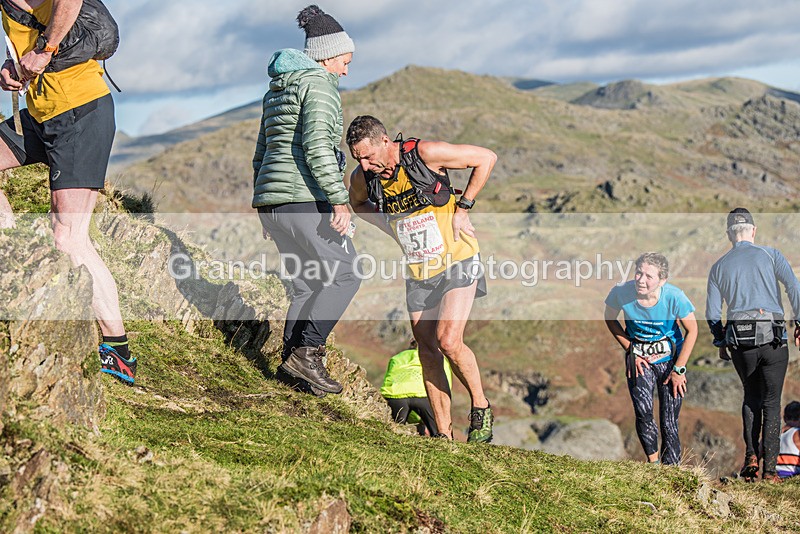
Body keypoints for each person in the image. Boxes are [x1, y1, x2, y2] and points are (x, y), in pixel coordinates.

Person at [0, 0, 136, 383]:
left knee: (69, 238)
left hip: (80, 110)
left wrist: (44, 51)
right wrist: (13, 67)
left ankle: (118, 350)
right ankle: (15, 261)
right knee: (65, 238)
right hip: (41, 113)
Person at [346, 115, 496, 442]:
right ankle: (443, 435)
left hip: (458, 258)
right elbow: (357, 203)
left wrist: (463, 209)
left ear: (385, 141)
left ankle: (481, 407)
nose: (365, 165)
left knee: (448, 340)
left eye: (368, 156)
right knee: (427, 349)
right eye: (358, 159)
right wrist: (388, 226)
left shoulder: (424, 154)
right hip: (419, 270)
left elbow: (486, 158)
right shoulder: (363, 176)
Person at [252, 5, 359, 395]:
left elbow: (261, 153)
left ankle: (290, 370)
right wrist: (339, 201)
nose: (345, 71)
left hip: (274, 203)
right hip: (303, 198)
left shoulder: (277, 89)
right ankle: (307, 353)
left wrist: (265, 207)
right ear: (328, 57)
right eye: (345, 62)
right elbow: (318, 148)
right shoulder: (319, 85)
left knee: (307, 284)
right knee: (347, 274)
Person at [706, 208, 800, 483]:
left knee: (751, 397)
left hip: (740, 341)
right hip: (773, 339)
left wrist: (720, 340)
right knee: (771, 401)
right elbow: (794, 288)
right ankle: (770, 472)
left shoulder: (719, 267)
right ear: (754, 231)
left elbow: (712, 313)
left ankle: (750, 456)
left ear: (729, 234)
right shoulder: (772, 255)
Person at [604, 252, 698, 465]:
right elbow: (609, 319)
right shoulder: (620, 292)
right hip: (639, 358)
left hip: (670, 360)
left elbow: (692, 330)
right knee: (643, 411)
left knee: (669, 420)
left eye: (648, 276)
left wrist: (679, 369)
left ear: (662, 280)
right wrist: (632, 350)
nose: (641, 280)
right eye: (638, 273)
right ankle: (654, 465)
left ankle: (671, 470)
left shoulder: (675, 296)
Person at [380, 339, 453, 436]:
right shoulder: (439, 358)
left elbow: (389, 380)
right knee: (441, 433)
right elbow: (444, 387)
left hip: (395, 395)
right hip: (424, 395)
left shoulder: (396, 358)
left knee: (393, 433)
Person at [777, 401, 800, 479]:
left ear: (784, 418)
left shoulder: (772, 434)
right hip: (792, 477)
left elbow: (757, 455)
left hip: (774, 478)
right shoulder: (797, 433)